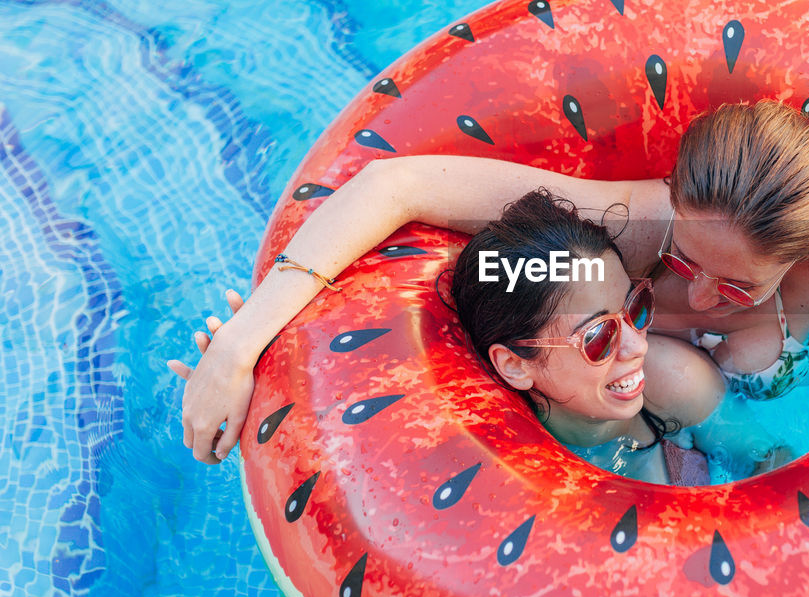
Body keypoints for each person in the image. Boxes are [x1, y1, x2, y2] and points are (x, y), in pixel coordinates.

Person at [173, 99, 809, 465]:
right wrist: (245, 344)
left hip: (770, 436)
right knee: (673, 374)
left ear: (799, 260)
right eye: (679, 265)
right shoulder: (632, 219)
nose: (695, 293)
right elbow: (398, 182)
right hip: (616, 419)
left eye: (736, 287)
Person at [170, 189, 725, 484]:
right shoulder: (490, 461)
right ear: (514, 366)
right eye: (598, 338)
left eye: (637, 307)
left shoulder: (679, 386)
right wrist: (258, 367)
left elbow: (767, 459)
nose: (636, 346)